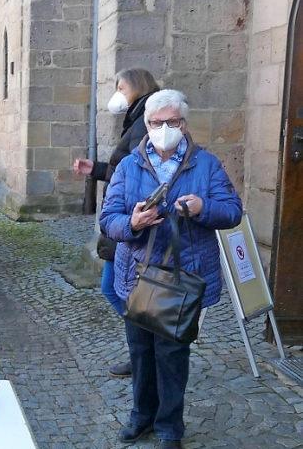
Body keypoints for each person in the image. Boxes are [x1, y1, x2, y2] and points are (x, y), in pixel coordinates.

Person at [100, 89, 242, 448]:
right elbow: (108, 219)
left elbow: (232, 211)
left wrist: (202, 208)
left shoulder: (206, 164)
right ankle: (141, 417)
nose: (164, 129)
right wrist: (132, 222)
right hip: (137, 275)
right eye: (156, 122)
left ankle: (169, 428)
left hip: (183, 278)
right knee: (140, 352)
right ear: (147, 124)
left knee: (172, 356)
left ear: (184, 123)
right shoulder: (129, 165)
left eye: (172, 121)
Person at [73, 67, 159, 378]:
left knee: (115, 288)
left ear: (137, 86)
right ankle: (145, 348)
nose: (118, 94)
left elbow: (134, 172)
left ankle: (147, 347)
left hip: (129, 219)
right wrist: (95, 169)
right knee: (115, 288)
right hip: (124, 219)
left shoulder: (145, 118)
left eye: (121, 88)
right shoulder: (136, 117)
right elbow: (124, 169)